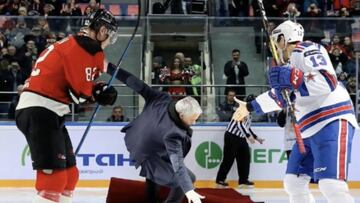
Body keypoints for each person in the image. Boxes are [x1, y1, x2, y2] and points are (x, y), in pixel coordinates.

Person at [232, 20, 358, 203]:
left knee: (332, 185)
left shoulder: (306, 49)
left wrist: (292, 77)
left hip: (332, 118)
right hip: (308, 128)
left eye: (276, 42)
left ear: (284, 39)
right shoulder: (289, 64)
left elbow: (327, 82)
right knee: (294, 182)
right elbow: (281, 96)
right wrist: (250, 107)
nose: (273, 47)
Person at [15, 9, 118, 203]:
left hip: (47, 110)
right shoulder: (87, 48)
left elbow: (71, 82)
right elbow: (78, 95)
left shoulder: (74, 44)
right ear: (102, 30)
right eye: (109, 34)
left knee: (70, 175)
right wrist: (97, 94)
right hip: (40, 110)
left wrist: (96, 89)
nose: (108, 40)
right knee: (53, 179)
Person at [107, 63, 205, 203]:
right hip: (148, 153)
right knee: (185, 180)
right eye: (193, 119)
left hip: (143, 140)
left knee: (157, 176)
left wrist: (109, 68)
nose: (194, 123)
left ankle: (151, 198)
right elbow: (178, 165)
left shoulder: (162, 98)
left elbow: (136, 84)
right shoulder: (173, 133)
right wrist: (189, 190)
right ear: (182, 115)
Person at [215, 94, 264, 188]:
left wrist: (256, 137)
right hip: (231, 136)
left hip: (241, 137)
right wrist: (248, 136)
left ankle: (243, 180)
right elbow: (239, 124)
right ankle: (220, 180)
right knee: (228, 159)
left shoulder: (249, 114)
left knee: (245, 158)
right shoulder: (241, 110)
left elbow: (246, 127)